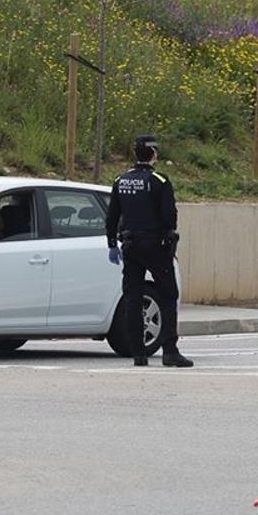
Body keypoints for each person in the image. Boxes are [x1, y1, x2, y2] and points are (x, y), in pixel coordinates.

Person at [104, 135, 192, 368]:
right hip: (156, 246)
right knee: (168, 296)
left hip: (130, 246)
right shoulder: (159, 180)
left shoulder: (120, 180)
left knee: (132, 297)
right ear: (153, 153)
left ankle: (138, 354)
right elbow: (169, 216)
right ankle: (170, 351)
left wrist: (112, 243)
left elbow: (112, 216)